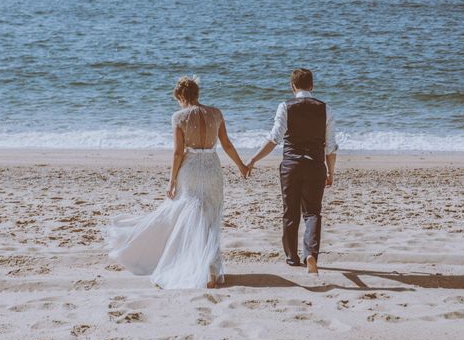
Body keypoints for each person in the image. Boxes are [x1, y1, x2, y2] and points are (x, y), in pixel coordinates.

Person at [106, 76, 248, 289]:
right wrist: (241, 166)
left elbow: (177, 152)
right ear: (197, 94)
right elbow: (226, 144)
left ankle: (195, 266)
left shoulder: (179, 117)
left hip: (190, 169)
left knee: (190, 213)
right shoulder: (216, 113)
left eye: (178, 99)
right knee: (210, 216)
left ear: (181, 96)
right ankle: (212, 271)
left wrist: (171, 181)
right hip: (211, 167)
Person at [246, 68, 338, 275]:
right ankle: (311, 254)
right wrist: (330, 172)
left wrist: (253, 159)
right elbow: (331, 147)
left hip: (291, 166)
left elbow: (274, 138)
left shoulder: (285, 106)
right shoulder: (326, 109)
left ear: (293, 87)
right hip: (315, 165)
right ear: (312, 86)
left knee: (290, 212)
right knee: (313, 212)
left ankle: (292, 257)